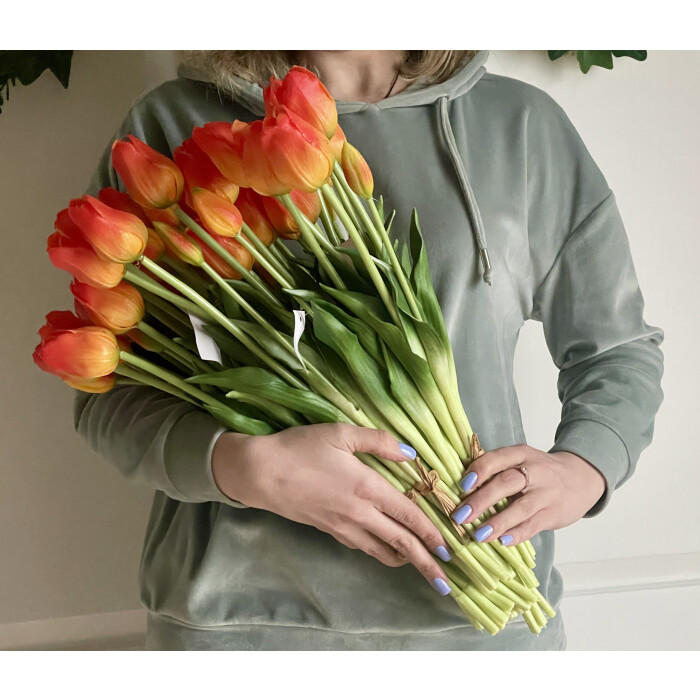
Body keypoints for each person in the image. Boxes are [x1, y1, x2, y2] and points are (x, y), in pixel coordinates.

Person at [75, 50, 664, 650]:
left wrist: (584, 469)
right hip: (235, 626)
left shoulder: (519, 125)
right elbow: (112, 395)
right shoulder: (172, 122)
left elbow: (617, 350)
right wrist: (244, 467)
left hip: (481, 626)